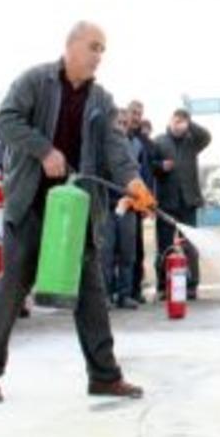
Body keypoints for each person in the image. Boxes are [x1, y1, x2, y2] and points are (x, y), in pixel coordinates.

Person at [0, 21, 155, 403]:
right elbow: (5, 121)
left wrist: (135, 182)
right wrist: (43, 150)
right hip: (31, 204)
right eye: (93, 46)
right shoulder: (35, 81)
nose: (99, 55)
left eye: (103, 49)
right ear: (71, 45)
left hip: (75, 210)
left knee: (90, 290)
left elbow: (116, 149)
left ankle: (104, 376)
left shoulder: (102, 100)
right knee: (13, 286)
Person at [152, 108, 210, 300]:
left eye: (182, 121)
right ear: (169, 121)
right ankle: (162, 286)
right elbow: (149, 164)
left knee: (190, 246)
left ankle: (191, 285)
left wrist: (189, 123)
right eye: (176, 120)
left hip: (188, 203)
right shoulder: (159, 141)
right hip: (166, 203)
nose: (179, 124)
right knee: (164, 246)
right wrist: (160, 166)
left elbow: (207, 136)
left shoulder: (192, 141)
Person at [101, 109, 140, 309]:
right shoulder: (102, 145)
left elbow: (136, 175)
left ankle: (124, 295)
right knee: (105, 253)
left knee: (127, 253)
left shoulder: (131, 146)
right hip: (106, 207)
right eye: (119, 122)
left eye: (125, 123)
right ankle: (105, 296)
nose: (122, 126)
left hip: (128, 207)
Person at [125, 101, 156, 303]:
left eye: (139, 113)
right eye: (133, 113)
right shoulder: (118, 136)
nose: (136, 117)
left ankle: (135, 290)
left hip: (139, 200)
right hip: (121, 199)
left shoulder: (144, 142)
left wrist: (147, 201)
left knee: (137, 249)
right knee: (119, 249)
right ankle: (119, 291)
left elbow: (147, 170)